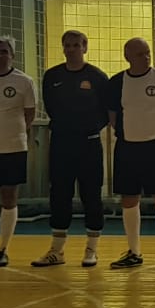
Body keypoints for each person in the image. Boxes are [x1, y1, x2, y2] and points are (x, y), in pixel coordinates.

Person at [32, 30, 110, 268]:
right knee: (60, 194)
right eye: (67, 45)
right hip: (61, 144)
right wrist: (68, 127)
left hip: (89, 144)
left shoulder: (97, 77)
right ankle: (57, 250)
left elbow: (105, 111)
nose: (72, 49)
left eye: (76, 45)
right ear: (63, 48)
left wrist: (87, 128)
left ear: (85, 47)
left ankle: (92, 249)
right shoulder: (52, 76)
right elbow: (52, 107)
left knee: (91, 195)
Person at [105, 38, 155, 271]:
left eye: (147, 53)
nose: (146, 57)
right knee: (129, 199)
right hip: (127, 147)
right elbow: (112, 116)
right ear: (127, 57)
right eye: (139, 54)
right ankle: (134, 252)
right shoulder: (116, 82)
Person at [0, 35, 36, 268]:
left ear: (12, 56)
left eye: (4, 51)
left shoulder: (24, 82)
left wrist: (12, 134)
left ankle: (2, 249)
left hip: (12, 148)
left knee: (8, 198)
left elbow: (29, 114)